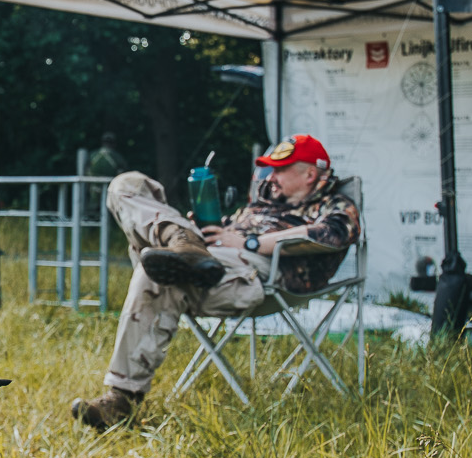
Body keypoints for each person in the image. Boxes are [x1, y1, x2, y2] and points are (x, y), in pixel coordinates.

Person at [71, 135, 360, 429]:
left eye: (280, 169)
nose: (271, 176)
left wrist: (248, 242)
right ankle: (180, 239)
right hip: (208, 261)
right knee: (125, 185)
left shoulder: (335, 206)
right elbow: (227, 231)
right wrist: (204, 229)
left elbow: (331, 235)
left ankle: (122, 399)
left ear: (310, 174)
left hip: (254, 275)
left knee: (152, 273)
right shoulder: (260, 205)